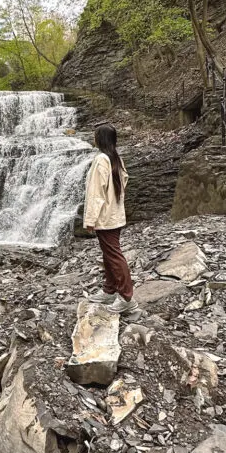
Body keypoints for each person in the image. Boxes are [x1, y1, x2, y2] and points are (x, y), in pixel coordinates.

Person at [83, 123, 137, 312]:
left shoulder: (101, 160)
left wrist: (90, 219)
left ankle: (126, 297)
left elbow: (96, 193)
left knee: (114, 255)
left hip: (105, 217)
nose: (93, 138)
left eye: (95, 136)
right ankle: (110, 290)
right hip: (114, 215)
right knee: (109, 254)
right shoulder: (116, 158)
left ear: (101, 139)